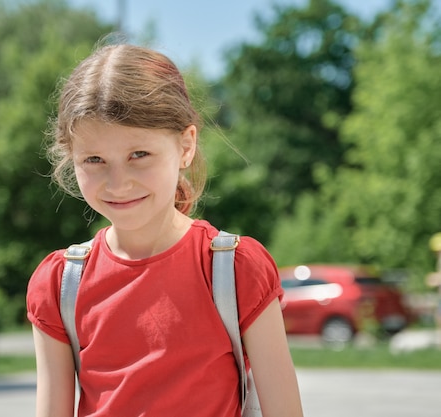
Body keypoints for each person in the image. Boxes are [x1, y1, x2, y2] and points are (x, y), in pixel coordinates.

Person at [26, 42, 304, 417]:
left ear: (186, 146)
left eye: (138, 155)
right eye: (94, 160)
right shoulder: (58, 284)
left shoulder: (235, 269)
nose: (118, 182)